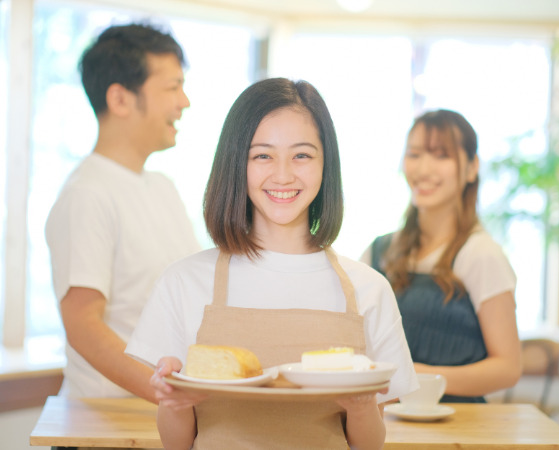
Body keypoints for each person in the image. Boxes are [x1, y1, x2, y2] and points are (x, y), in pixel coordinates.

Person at [125, 78, 418, 450]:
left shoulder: (369, 289)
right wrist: (176, 404)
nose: (283, 175)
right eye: (262, 155)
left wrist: (361, 409)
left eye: (302, 155)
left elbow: (369, 445)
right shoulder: (184, 281)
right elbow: (177, 444)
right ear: (236, 163)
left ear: (326, 165)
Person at [45, 23, 200, 401]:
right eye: (172, 87)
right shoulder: (87, 194)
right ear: (120, 99)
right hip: (106, 425)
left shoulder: (163, 187)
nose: (184, 101)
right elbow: (82, 325)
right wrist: (165, 391)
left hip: (163, 417)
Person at [361, 109, 521, 403]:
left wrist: (417, 376)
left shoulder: (480, 254)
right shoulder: (378, 251)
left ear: (472, 168)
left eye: (441, 155)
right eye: (414, 154)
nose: (423, 169)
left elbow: (508, 368)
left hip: (458, 428)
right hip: (384, 426)